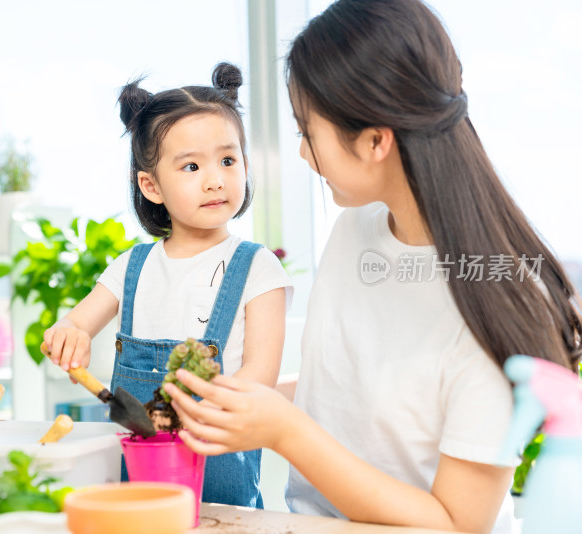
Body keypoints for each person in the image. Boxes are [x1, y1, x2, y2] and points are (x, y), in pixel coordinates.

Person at [162, 1, 582, 533]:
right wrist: (245, 402)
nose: (303, 155)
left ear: (375, 140)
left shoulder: (497, 300)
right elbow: (349, 389)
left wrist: (284, 431)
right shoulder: (357, 227)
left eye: (306, 132)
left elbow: (458, 522)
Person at [43, 62, 293, 508]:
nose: (215, 178)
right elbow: (78, 323)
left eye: (228, 160)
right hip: (138, 491)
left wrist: (193, 411)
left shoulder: (258, 268)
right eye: (192, 166)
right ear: (150, 185)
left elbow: (260, 378)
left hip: (223, 490)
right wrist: (68, 334)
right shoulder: (131, 267)